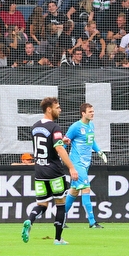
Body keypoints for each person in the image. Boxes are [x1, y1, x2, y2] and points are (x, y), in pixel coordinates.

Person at [21, 97, 78, 246]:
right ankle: (58, 239)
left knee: (42, 204)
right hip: (54, 171)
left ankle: (30, 220)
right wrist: (71, 167)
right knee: (60, 203)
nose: (60, 110)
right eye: (57, 107)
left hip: (40, 171)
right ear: (49, 109)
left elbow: (47, 142)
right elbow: (58, 148)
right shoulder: (54, 127)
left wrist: (62, 140)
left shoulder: (35, 127)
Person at [63, 103, 107, 229]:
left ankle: (60, 218)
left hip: (86, 162)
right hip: (77, 163)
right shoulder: (75, 127)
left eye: (93, 111)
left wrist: (99, 151)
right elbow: (65, 142)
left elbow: (91, 140)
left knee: (74, 191)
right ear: (83, 113)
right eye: (90, 111)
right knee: (86, 188)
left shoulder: (91, 125)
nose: (92, 113)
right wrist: (61, 157)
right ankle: (92, 222)